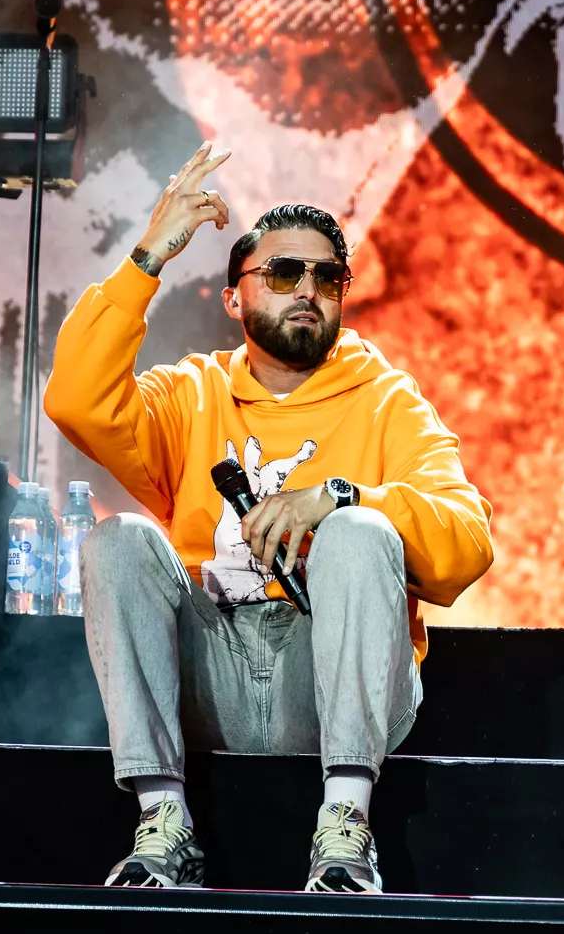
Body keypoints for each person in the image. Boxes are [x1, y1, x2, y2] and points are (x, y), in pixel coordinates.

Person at [44, 142, 494, 893]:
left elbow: (468, 542)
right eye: (284, 273)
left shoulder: (387, 399)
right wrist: (148, 257)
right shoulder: (190, 395)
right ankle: (164, 824)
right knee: (117, 539)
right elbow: (75, 400)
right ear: (234, 298)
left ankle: (345, 830)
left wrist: (343, 497)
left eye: (327, 277)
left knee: (359, 529)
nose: (307, 291)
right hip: (209, 675)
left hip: (327, 680)